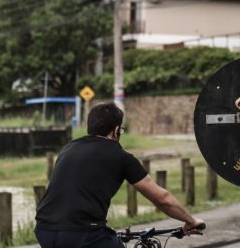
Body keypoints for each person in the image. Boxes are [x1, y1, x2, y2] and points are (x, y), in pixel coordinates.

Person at [34, 102, 204, 247]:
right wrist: (190, 220)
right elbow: (163, 199)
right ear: (116, 131)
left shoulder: (69, 148)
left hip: (45, 230)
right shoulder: (121, 157)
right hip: (83, 233)